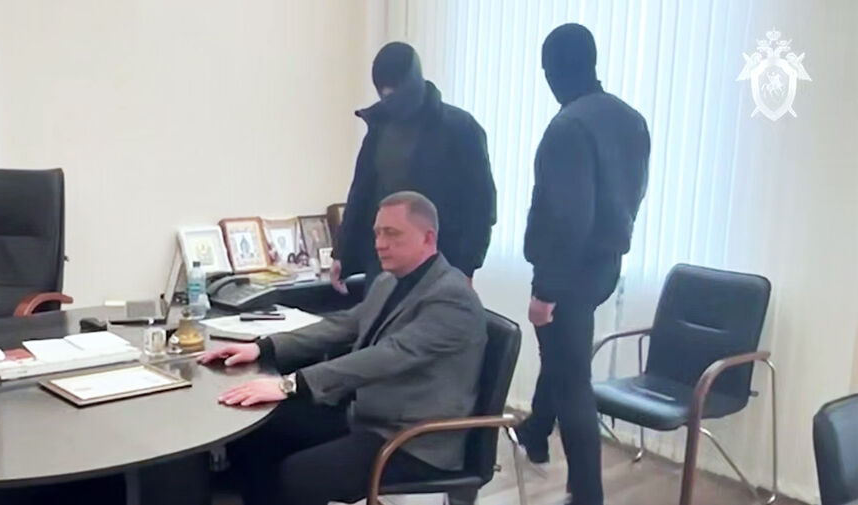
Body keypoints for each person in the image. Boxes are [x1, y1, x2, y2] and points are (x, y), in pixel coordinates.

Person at [199, 191, 487, 505]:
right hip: (368, 414)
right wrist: (263, 347)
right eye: (377, 233)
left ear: (428, 237)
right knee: (259, 433)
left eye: (392, 233)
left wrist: (290, 384)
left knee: (300, 475)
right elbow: (344, 324)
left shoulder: (451, 297)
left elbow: (387, 356)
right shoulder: (389, 281)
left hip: (413, 439)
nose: (380, 243)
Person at [517, 24, 651, 505]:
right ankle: (536, 430)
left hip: (568, 271)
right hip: (605, 265)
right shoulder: (631, 120)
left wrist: (545, 290)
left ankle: (588, 494)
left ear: (551, 71)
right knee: (563, 356)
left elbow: (567, 216)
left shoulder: (568, 126)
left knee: (572, 382)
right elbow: (633, 194)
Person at [329, 42, 496, 293]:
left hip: (439, 267)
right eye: (384, 90)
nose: (389, 95)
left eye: (395, 88)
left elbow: (481, 206)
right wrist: (342, 254)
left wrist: (466, 267)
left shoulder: (460, 128)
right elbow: (361, 194)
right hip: (382, 269)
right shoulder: (379, 128)